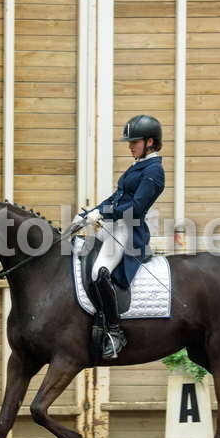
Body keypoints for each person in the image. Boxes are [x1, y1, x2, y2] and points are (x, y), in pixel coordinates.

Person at [73, 114, 165, 360]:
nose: (130, 146)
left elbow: (136, 207)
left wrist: (102, 213)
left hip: (129, 230)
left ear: (149, 142)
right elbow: (116, 197)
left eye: (134, 141)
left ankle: (114, 332)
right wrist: (90, 213)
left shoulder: (154, 171)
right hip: (114, 226)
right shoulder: (138, 166)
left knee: (99, 271)